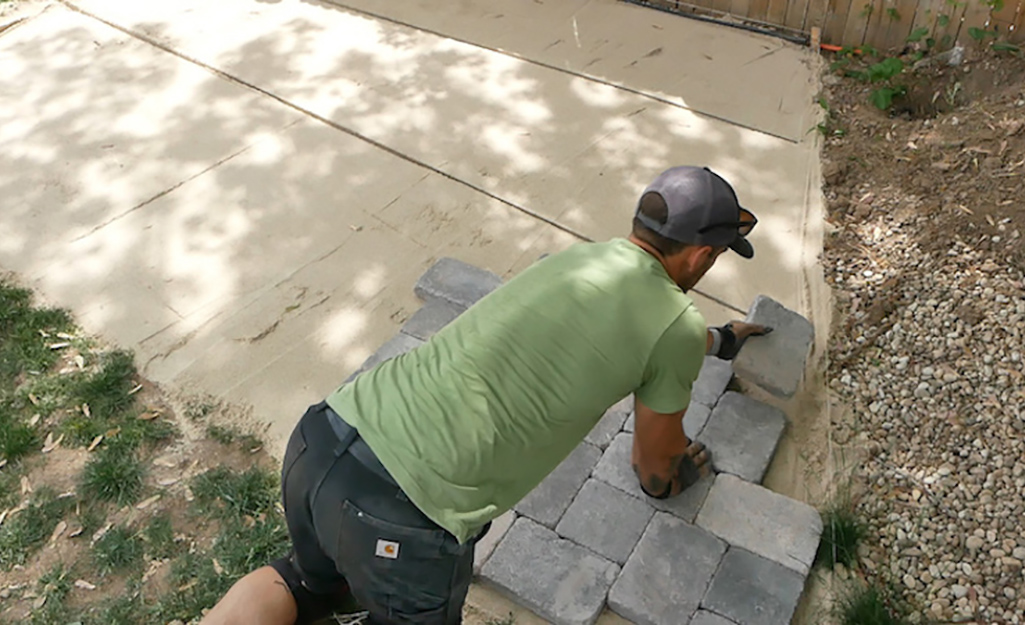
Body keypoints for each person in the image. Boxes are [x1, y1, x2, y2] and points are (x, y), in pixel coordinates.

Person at [200, 165, 772, 625]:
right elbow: (653, 465)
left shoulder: (580, 259)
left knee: (302, 583)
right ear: (701, 256)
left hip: (324, 438)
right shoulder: (671, 321)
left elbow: (646, 328)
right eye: (717, 256)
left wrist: (718, 341)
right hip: (403, 515)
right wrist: (678, 475)